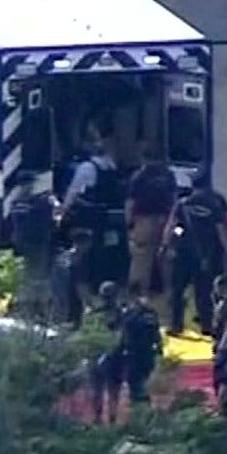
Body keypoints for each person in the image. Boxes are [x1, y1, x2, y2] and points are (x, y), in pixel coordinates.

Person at [60, 117, 128, 291]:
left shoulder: (86, 168)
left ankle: (84, 292)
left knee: (85, 259)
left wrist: (62, 213)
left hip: (90, 221)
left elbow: (73, 194)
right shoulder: (112, 165)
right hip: (109, 219)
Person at [160, 185, 227, 336]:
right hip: (205, 255)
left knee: (177, 291)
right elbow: (220, 231)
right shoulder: (214, 205)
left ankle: (176, 325)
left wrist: (168, 243)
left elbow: (173, 226)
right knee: (203, 292)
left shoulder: (183, 204)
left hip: (182, 253)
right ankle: (206, 326)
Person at [125, 151, 177, 294]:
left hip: (144, 221)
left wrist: (129, 224)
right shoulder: (169, 175)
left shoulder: (139, 176)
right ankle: (170, 293)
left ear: (144, 158)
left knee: (141, 259)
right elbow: (174, 200)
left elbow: (131, 202)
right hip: (165, 221)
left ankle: (139, 296)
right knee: (167, 259)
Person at [85, 280, 126, 423]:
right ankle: (108, 419)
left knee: (100, 390)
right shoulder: (120, 313)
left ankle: (101, 418)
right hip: (110, 357)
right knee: (110, 391)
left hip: (102, 356)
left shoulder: (94, 313)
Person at [118, 282, 163, 404]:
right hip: (134, 353)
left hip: (142, 353)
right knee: (134, 385)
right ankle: (139, 407)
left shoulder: (144, 313)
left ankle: (143, 408)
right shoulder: (129, 313)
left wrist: (159, 349)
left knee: (142, 384)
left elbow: (156, 332)